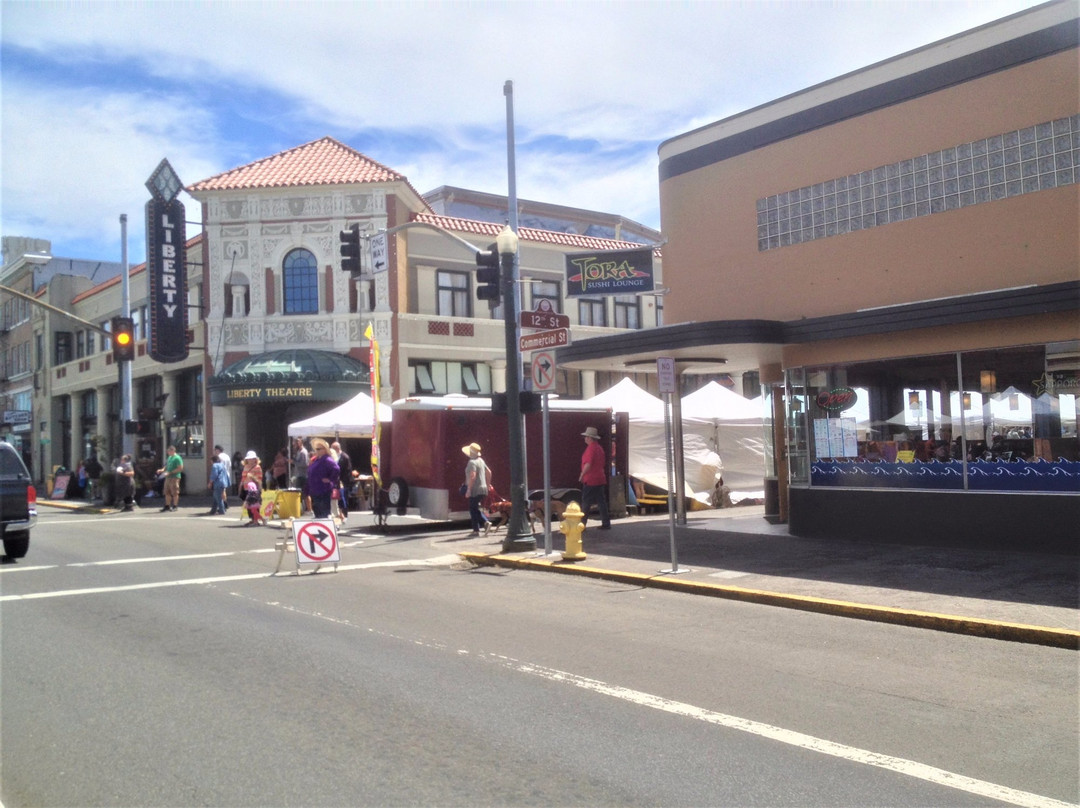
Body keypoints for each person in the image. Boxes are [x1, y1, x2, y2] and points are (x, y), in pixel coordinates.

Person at [578, 426, 610, 530]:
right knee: (601, 502)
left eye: (586, 437)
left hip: (591, 479)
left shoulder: (591, 448)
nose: (585, 438)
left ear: (590, 438)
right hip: (600, 478)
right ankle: (606, 523)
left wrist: (582, 474)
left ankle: (582, 525)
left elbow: (588, 464)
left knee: (586, 502)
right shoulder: (599, 448)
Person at [462, 442, 492, 537]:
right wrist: (487, 485)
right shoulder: (481, 460)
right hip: (483, 489)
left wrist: (469, 489)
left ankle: (478, 528)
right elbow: (489, 472)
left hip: (475, 489)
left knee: (472, 509)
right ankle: (482, 524)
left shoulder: (471, 462)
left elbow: (473, 476)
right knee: (474, 508)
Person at [306, 439, 340, 519]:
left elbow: (336, 469)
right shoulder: (317, 459)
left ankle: (325, 529)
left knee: (323, 513)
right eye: (316, 449)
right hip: (315, 489)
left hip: (323, 490)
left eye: (318, 449)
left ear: (324, 450)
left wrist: (330, 479)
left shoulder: (327, 459)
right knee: (317, 512)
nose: (316, 451)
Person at [156, 445, 183, 512]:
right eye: (167, 451)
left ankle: (175, 506)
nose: (168, 452)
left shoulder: (177, 458)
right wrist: (162, 470)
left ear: (173, 450)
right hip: (168, 477)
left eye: (169, 451)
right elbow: (166, 465)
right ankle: (167, 505)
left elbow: (180, 468)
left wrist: (170, 472)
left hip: (175, 477)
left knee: (174, 492)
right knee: (166, 492)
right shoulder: (170, 457)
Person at [241, 451, 265, 525]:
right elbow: (243, 478)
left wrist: (252, 477)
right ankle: (252, 519)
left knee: (254, 505)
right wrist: (241, 485)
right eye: (249, 459)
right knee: (249, 505)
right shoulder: (245, 467)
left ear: (255, 459)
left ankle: (256, 520)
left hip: (254, 489)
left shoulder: (258, 467)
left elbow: (259, 479)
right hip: (246, 488)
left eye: (252, 458)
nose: (250, 460)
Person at [332, 441, 352, 520]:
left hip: (343, 481)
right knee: (338, 497)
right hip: (336, 481)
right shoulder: (333, 456)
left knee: (343, 497)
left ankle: (344, 514)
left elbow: (348, 470)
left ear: (337, 448)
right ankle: (340, 514)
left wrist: (343, 481)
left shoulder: (345, 457)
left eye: (333, 448)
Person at [292, 437, 310, 513]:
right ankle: (301, 509)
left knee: (305, 493)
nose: (293, 445)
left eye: (295, 443)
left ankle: (309, 509)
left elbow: (305, 464)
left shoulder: (303, 452)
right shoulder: (298, 452)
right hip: (299, 475)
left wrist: (294, 462)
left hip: (303, 475)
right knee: (299, 493)